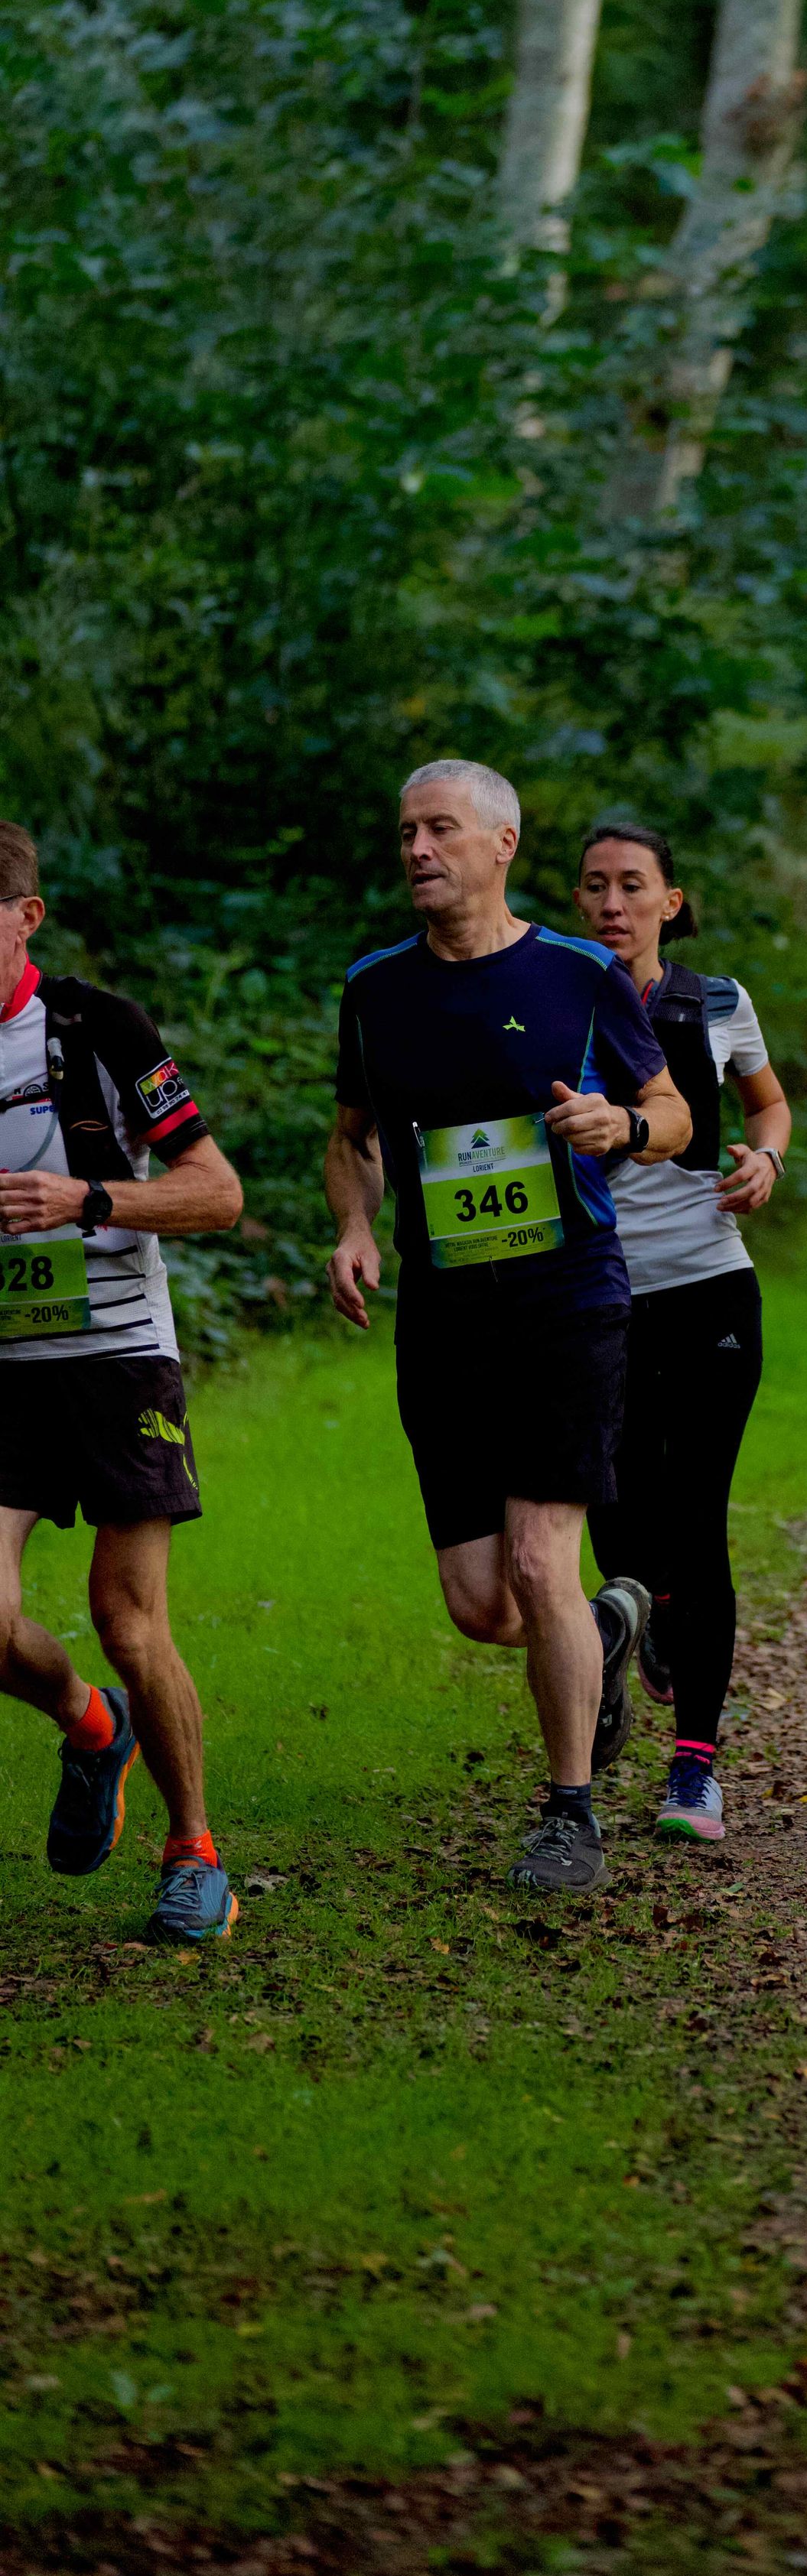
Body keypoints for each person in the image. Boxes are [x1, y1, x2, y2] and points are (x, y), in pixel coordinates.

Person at [326, 760, 692, 1893]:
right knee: (484, 1604)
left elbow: (675, 1111)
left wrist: (623, 1125)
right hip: (444, 1316)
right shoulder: (375, 987)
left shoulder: (580, 973)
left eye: (440, 829)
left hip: (565, 1297)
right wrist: (356, 1228)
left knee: (540, 1559)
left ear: (502, 844)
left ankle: (570, 1814)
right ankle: (607, 1628)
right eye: (406, 832)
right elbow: (353, 1136)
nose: (417, 850)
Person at [0, 823, 247, 1945]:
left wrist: (87, 1201)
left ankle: (194, 1852)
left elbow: (217, 1193)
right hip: (5, 1371)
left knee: (128, 1621)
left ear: (28, 919)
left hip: (117, 1358)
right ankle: (92, 1727)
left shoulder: (100, 1028)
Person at [573, 821, 791, 1847]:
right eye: (594, 886)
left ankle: (695, 1765)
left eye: (632, 886)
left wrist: (766, 1160)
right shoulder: (549, 1001)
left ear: (671, 902)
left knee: (697, 1521)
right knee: (613, 1519)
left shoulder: (715, 1003)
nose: (612, 904)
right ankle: (644, 1616)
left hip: (708, 1289)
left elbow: (769, 1105)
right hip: (593, 1297)